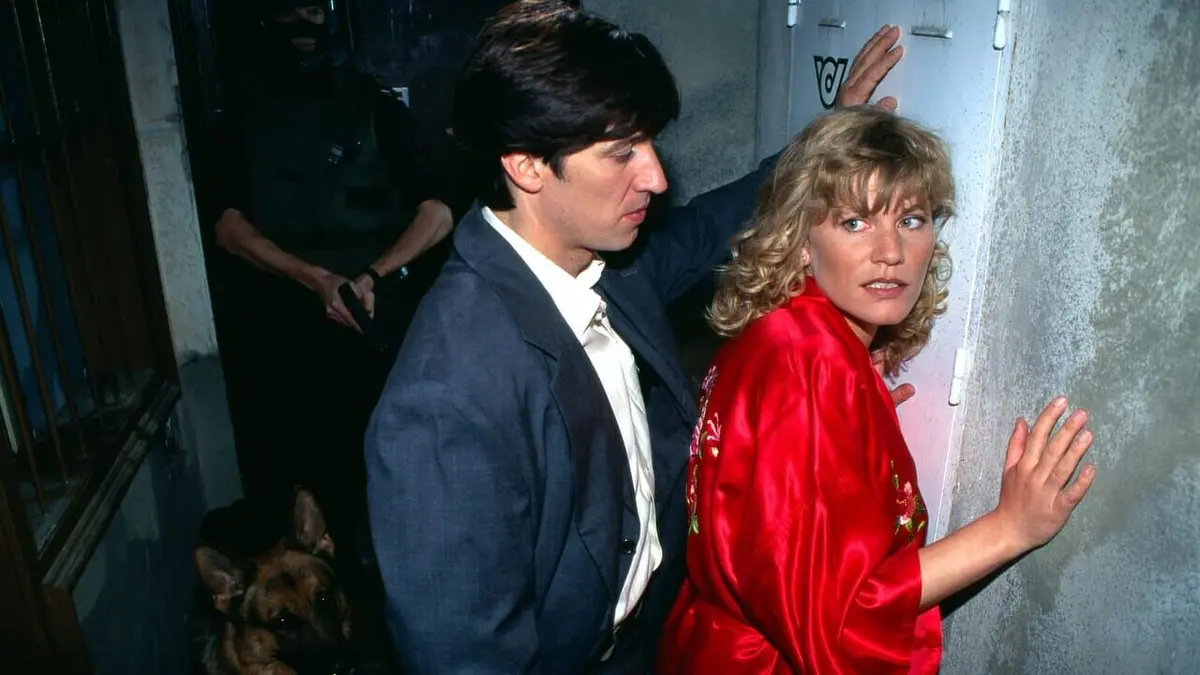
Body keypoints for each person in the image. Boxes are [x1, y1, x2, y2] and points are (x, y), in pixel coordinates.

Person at [364, 2, 907, 673]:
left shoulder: (606, 262)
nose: (655, 176)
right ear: (527, 165)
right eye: (622, 152)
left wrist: (825, 140)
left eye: (648, 142)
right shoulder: (446, 397)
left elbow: (712, 223)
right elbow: (467, 659)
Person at [655, 107, 1097, 674]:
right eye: (855, 223)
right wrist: (1010, 527)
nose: (890, 251)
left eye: (911, 219)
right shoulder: (809, 360)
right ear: (801, 239)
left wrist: (846, 431)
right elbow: (836, 616)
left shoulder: (788, 333)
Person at [210, 0, 459, 560]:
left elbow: (438, 212)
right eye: (287, 9)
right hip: (284, 335)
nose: (302, 22)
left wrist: (371, 275)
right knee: (303, 486)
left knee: (397, 468)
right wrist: (312, 278)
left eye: (312, 8)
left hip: (378, 323)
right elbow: (228, 228)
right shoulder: (240, 120)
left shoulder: (375, 107)